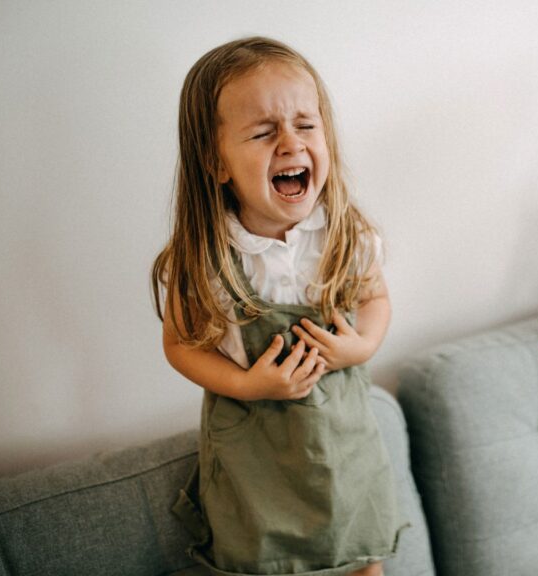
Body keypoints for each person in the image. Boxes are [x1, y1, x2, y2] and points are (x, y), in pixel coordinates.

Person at [152, 37, 405, 576]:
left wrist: (359, 345)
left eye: (306, 125)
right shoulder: (205, 259)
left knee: (363, 559)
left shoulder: (345, 235)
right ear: (216, 163)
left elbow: (376, 298)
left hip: (343, 449)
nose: (290, 143)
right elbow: (178, 345)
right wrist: (249, 385)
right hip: (256, 467)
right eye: (264, 132)